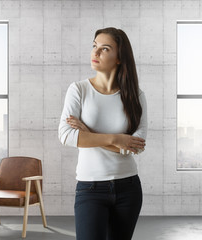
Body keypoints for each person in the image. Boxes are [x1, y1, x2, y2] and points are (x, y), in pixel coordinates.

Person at [58, 27, 148, 240]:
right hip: (90, 189)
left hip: (129, 188)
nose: (95, 53)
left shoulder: (136, 96)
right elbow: (66, 135)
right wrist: (116, 139)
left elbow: (135, 146)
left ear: (119, 58)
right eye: (94, 46)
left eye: (105, 48)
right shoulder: (78, 90)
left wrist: (88, 133)